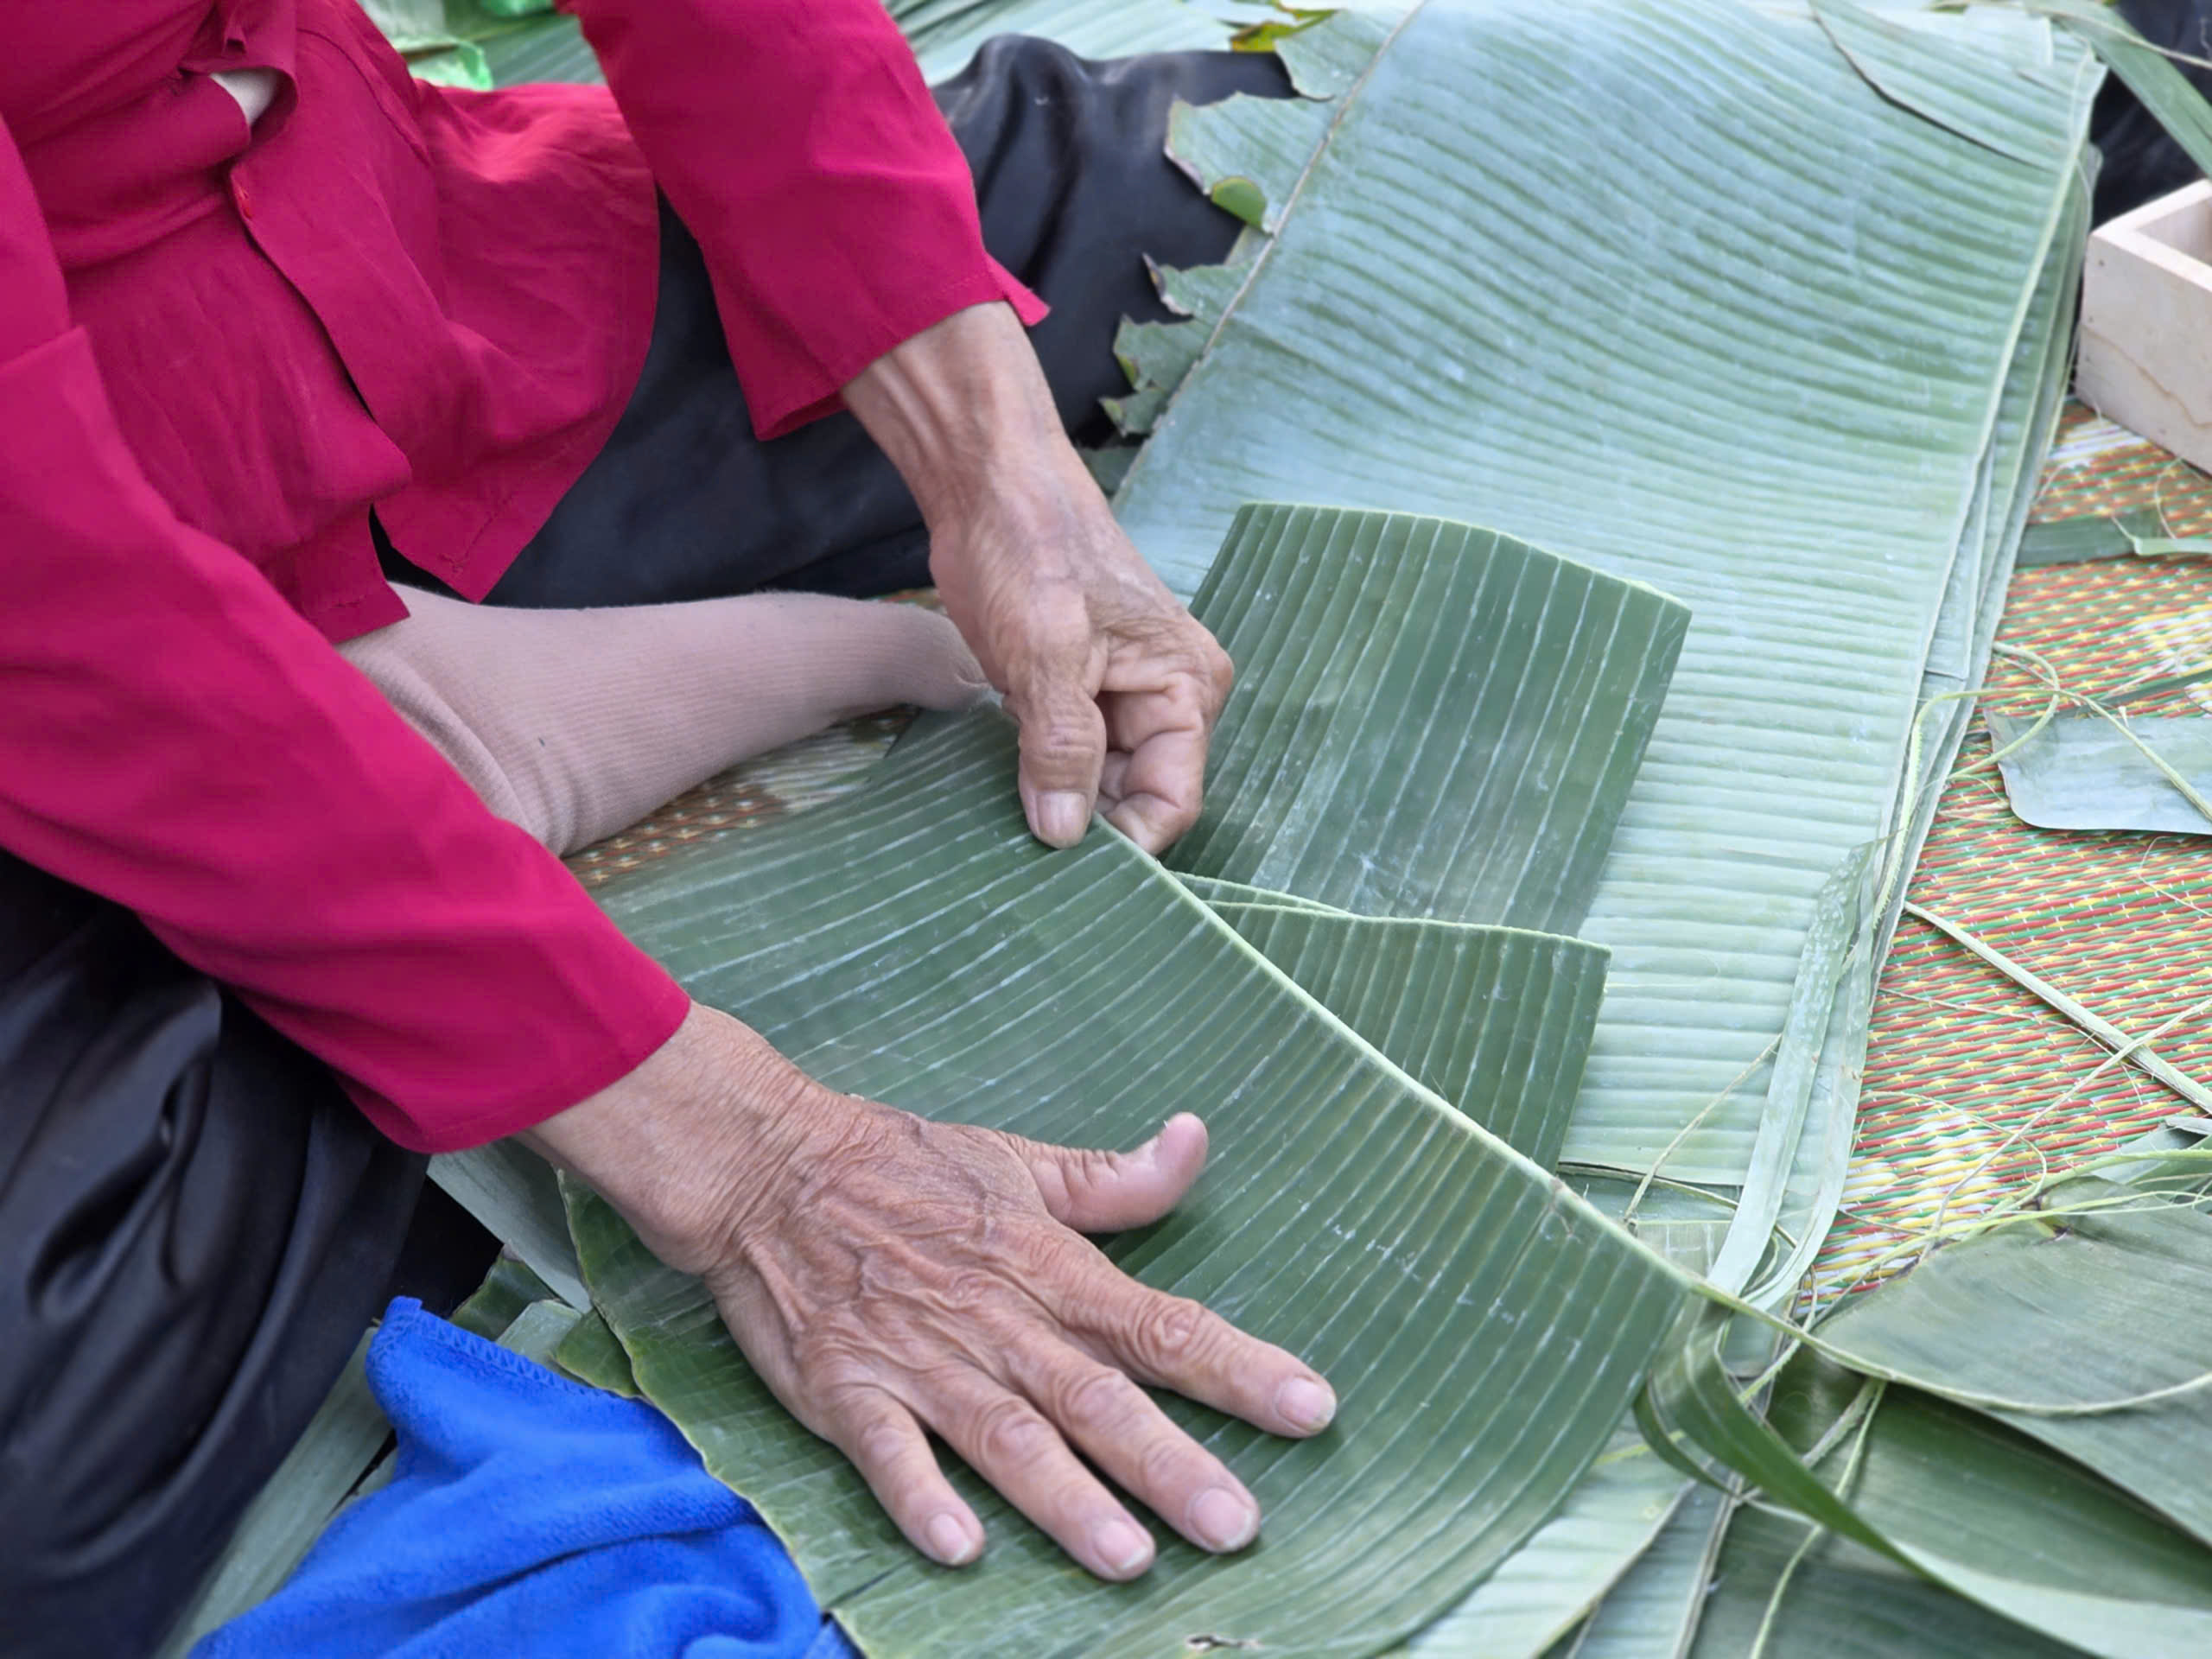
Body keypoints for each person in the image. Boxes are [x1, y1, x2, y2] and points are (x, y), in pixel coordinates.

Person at [0, 5, 1338, 1654]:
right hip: (71, 605)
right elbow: (52, 603)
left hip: (409, 286)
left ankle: (428, 752)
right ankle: (395, 765)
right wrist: (759, 1160)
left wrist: (1004, 474)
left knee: (1244, 197)